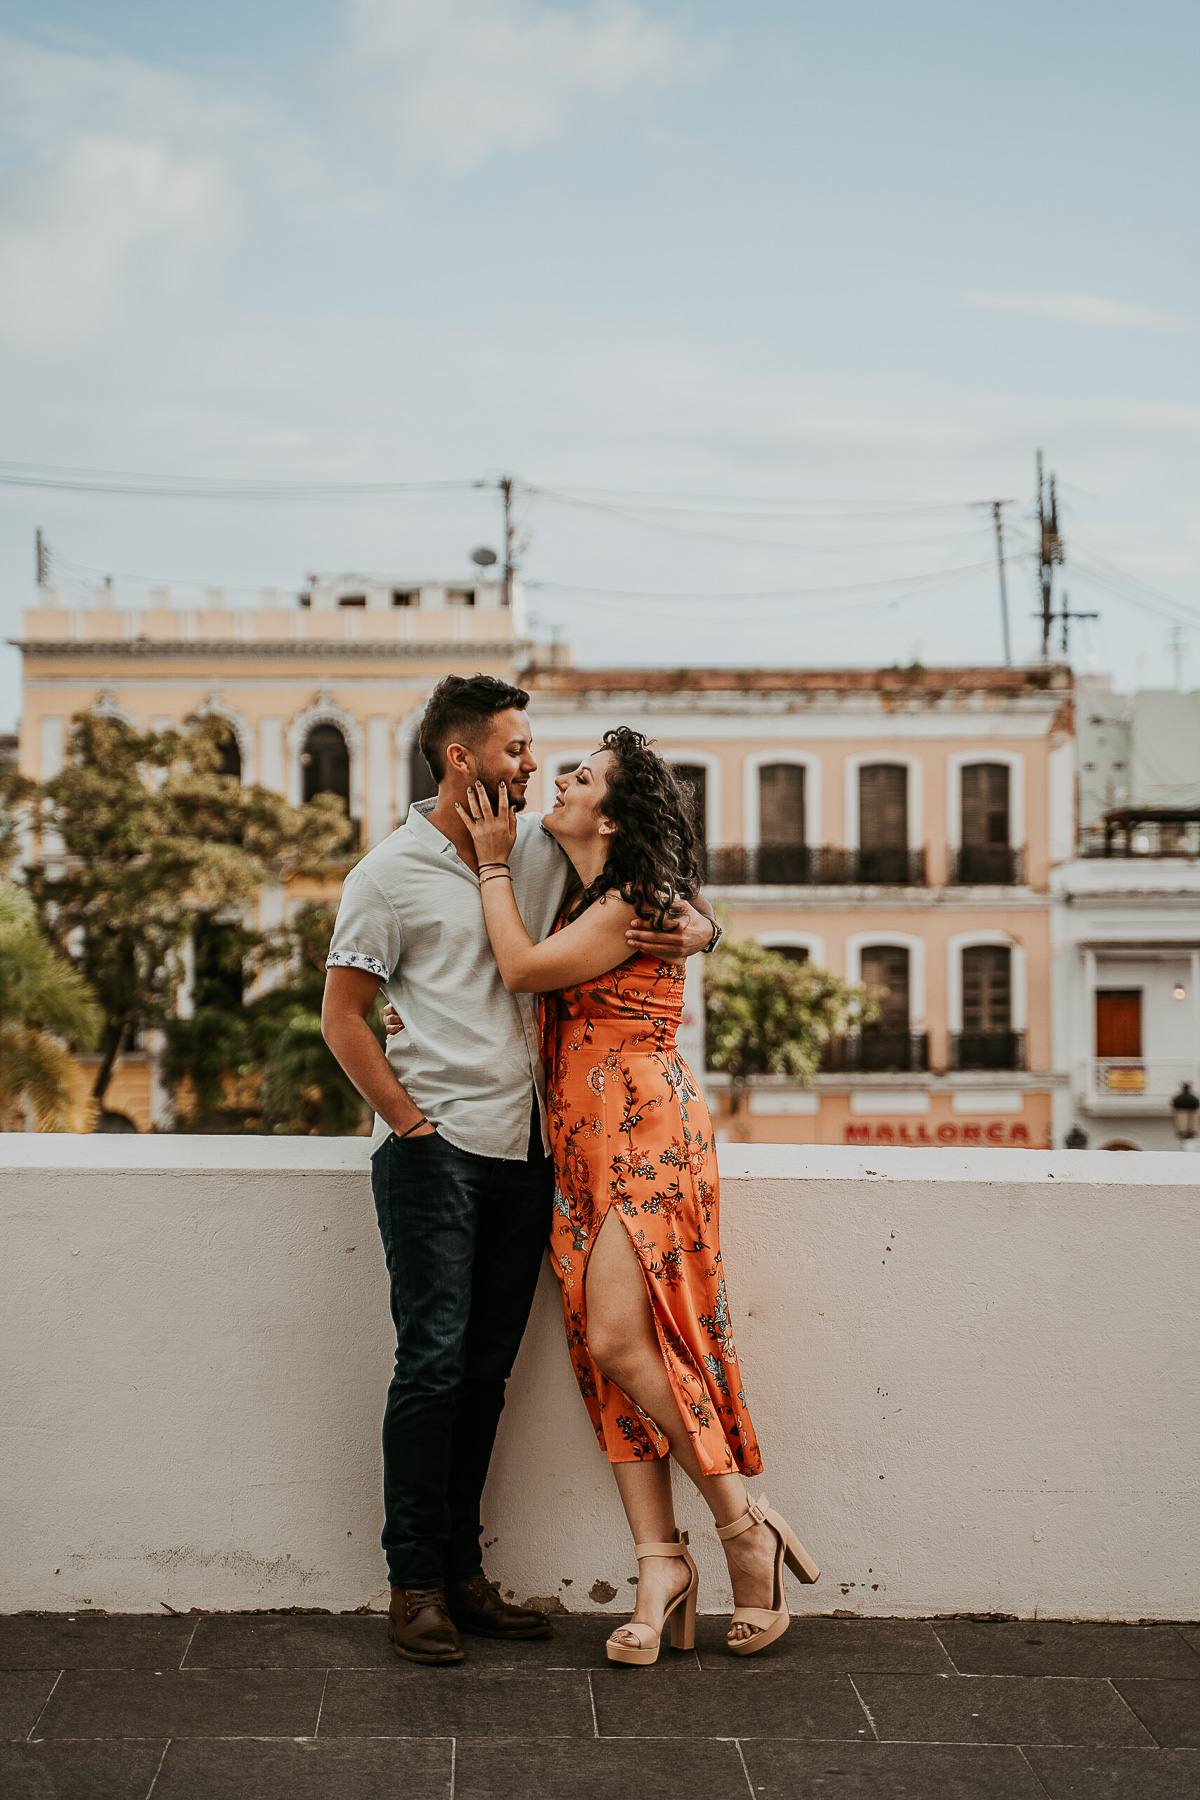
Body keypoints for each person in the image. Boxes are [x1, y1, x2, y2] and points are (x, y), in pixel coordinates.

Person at [320, 675, 717, 1664]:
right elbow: (342, 1019)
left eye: (535, 748)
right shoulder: (387, 875)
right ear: (462, 759)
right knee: (435, 1363)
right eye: (515, 748)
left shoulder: (538, 850)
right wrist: (409, 1124)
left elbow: (659, 890)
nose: (534, 764)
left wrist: (705, 928)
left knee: (486, 1373)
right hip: (436, 1155)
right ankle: (414, 1583)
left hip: (531, 1153)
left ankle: (463, 1575)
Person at [456, 726, 820, 1663]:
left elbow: (525, 971)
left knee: (622, 1337)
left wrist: (493, 870)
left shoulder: (634, 901)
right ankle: (659, 1562)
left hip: (641, 1130)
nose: (561, 780)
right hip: (579, 1139)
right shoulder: (589, 885)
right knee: (607, 1353)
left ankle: (743, 1526)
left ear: (611, 815)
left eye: (581, 775)